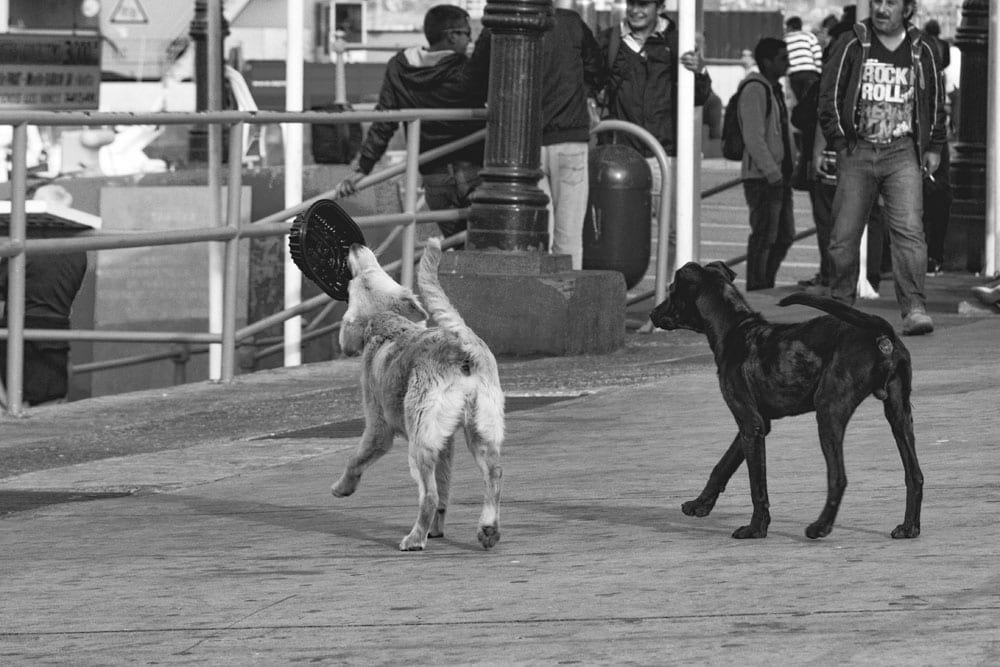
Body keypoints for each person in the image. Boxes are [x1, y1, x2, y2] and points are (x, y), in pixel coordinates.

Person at [817, 0, 947, 335]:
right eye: (877, 1)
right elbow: (829, 94)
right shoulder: (852, 42)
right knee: (844, 235)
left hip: (903, 151)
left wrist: (934, 145)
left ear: (907, 8)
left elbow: (935, 99)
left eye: (891, 3)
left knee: (908, 231)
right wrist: (840, 140)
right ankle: (841, 306)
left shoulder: (923, 49)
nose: (882, 9)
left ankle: (914, 309)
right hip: (857, 149)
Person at [467, 8, 604, 269]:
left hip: (521, 147)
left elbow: (474, 77)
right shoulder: (571, 22)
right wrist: (587, 94)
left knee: (538, 232)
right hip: (570, 137)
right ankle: (567, 299)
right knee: (570, 236)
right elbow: (598, 66)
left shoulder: (498, 21)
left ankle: (538, 296)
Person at [335, 5, 484, 241]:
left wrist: (363, 168)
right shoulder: (466, 69)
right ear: (452, 35)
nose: (470, 39)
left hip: (433, 173)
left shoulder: (399, 66)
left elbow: (384, 120)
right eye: (467, 33)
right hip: (475, 169)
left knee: (457, 246)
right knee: (486, 244)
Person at [597, 0, 712, 232]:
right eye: (632, 4)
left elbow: (699, 97)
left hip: (666, 155)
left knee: (673, 232)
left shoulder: (676, 41)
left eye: (643, 4)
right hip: (623, 156)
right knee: (622, 234)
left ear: (659, 8)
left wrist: (699, 71)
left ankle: (670, 271)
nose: (635, 10)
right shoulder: (610, 41)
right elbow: (594, 85)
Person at [0, 185, 88, 406]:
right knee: (50, 404)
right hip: (57, 333)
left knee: (15, 406)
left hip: (19, 331)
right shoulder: (80, 249)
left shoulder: (24, 246)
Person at [737, 37, 795, 291]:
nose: (789, 63)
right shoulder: (755, 89)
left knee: (783, 235)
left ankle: (764, 285)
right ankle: (757, 290)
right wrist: (772, 172)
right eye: (783, 58)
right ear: (767, 61)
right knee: (764, 237)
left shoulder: (774, 90)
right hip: (763, 177)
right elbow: (753, 137)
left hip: (778, 175)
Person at [784, 16, 823, 104]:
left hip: (794, 74)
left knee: (800, 102)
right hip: (810, 73)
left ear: (789, 27)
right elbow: (817, 55)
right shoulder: (809, 36)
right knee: (811, 100)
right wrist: (819, 72)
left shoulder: (786, 40)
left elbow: (784, 59)